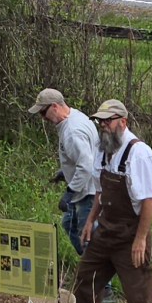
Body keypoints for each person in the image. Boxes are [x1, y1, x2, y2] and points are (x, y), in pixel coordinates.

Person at [72, 100, 152, 303]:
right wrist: (91, 221)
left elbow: (149, 200)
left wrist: (140, 239)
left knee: (139, 296)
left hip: (130, 235)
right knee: (85, 279)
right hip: (106, 230)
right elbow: (100, 192)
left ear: (123, 121)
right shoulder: (104, 150)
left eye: (108, 121)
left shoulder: (139, 154)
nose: (103, 126)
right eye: (100, 121)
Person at [28, 88, 99, 256]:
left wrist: (69, 192)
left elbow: (86, 166)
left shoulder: (72, 132)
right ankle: (91, 264)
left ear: (54, 106)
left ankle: (97, 271)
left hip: (87, 191)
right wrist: (65, 172)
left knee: (87, 236)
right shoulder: (76, 117)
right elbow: (85, 154)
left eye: (43, 112)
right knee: (69, 224)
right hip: (88, 186)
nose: (43, 118)